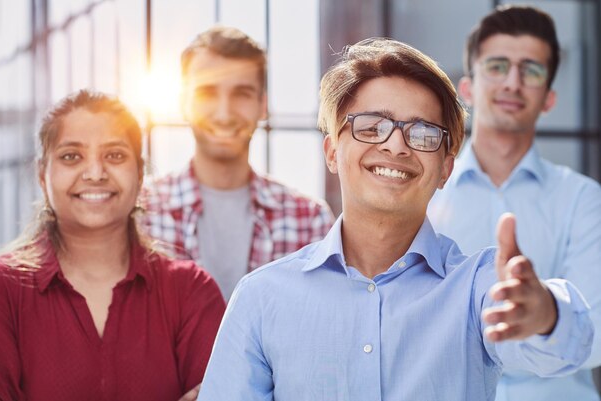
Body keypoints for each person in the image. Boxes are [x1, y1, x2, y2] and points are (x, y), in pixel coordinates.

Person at [196, 38, 593, 401]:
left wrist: (546, 313)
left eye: (423, 134)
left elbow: (563, 349)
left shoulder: (478, 286)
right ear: (333, 152)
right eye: (372, 127)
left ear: (445, 169)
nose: (396, 145)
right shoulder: (262, 297)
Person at [0, 90, 226, 401]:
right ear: (42, 175)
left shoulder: (190, 291)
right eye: (71, 156)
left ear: (139, 173)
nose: (95, 173)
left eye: (115, 155)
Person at [427, 5, 601, 401]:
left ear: (549, 99)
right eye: (497, 66)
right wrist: (556, 334)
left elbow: (597, 336)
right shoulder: (425, 191)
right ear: (467, 88)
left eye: (532, 70)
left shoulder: (583, 199)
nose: (513, 82)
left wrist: (545, 315)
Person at [140, 26, 335, 299]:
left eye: (241, 94)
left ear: (262, 105)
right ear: (184, 102)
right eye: (207, 93)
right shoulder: (141, 213)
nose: (224, 113)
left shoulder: (309, 219)